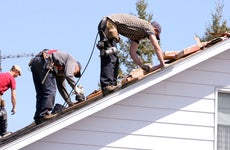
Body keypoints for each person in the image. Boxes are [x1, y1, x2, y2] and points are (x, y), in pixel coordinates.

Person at [97, 14, 166, 95]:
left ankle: (111, 85)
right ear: (155, 30)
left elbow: (132, 52)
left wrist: (142, 66)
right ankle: (107, 86)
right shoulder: (148, 26)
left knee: (114, 58)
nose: (153, 36)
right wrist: (162, 64)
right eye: (155, 35)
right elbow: (156, 46)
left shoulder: (138, 35)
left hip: (109, 24)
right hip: (109, 24)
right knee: (110, 56)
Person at [29, 49, 82, 124]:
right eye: (76, 72)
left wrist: (69, 102)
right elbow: (69, 75)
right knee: (50, 90)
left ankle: (38, 117)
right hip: (45, 60)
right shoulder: (72, 61)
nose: (74, 74)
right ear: (77, 66)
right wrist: (76, 89)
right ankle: (44, 113)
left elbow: (62, 87)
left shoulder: (61, 69)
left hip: (36, 62)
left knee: (41, 92)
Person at [0, 65, 22, 137]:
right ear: (15, 71)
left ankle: (3, 132)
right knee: (3, 113)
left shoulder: (2, 75)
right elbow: (13, 95)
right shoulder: (11, 79)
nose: (18, 76)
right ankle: (3, 133)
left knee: (2, 112)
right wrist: (14, 107)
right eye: (18, 74)